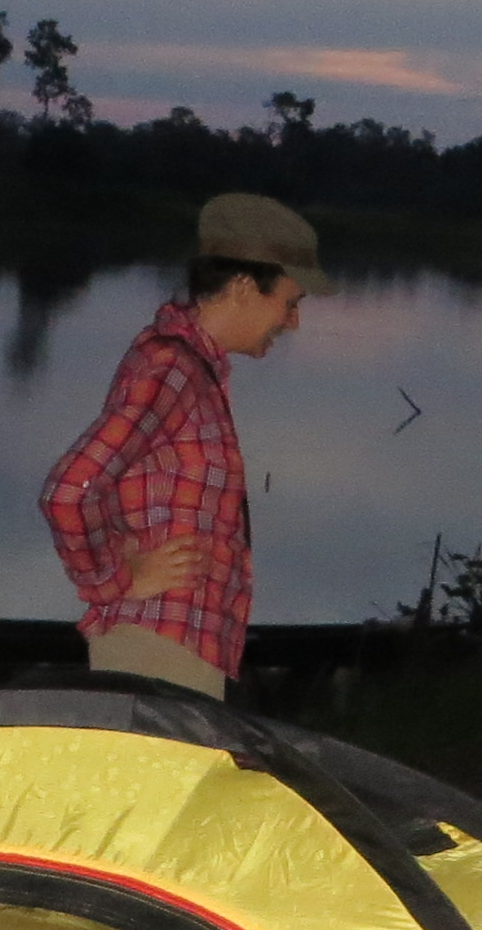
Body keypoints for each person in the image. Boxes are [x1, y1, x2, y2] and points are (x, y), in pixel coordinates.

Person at [39, 193, 319, 697]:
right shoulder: (172, 369)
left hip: (175, 647)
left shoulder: (193, 370)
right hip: (156, 649)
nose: (294, 321)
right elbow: (69, 490)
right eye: (290, 302)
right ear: (240, 287)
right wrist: (113, 581)